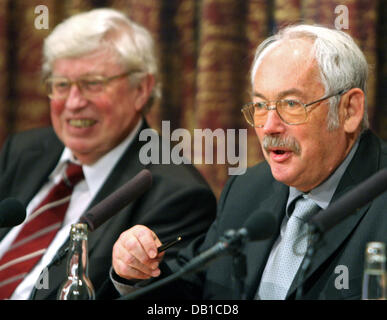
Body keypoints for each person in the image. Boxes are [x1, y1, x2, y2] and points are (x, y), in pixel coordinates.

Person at [111, 24, 387, 300]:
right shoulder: (247, 189)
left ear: (349, 110)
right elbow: (195, 290)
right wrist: (136, 274)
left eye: (291, 104)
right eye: (260, 106)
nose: (269, 126)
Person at [0, 8, 216, 300]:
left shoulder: (177, 195)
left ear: (141, 89)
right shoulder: (23, 151)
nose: (74, 103)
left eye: (93, 84)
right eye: (62, 85)